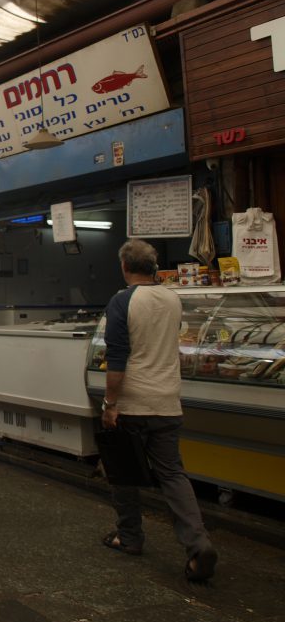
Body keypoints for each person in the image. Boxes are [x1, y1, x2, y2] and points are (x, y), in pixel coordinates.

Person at [100, 239, 218, 582]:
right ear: (153, 267)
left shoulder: (122, 301)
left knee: (122, 471)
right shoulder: (172, 298)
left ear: (125, 266)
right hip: (167, 400)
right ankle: (198, 544)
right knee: (172, 474)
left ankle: (130, 537)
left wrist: (110, 404)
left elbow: (118, 359)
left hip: (133, 403)